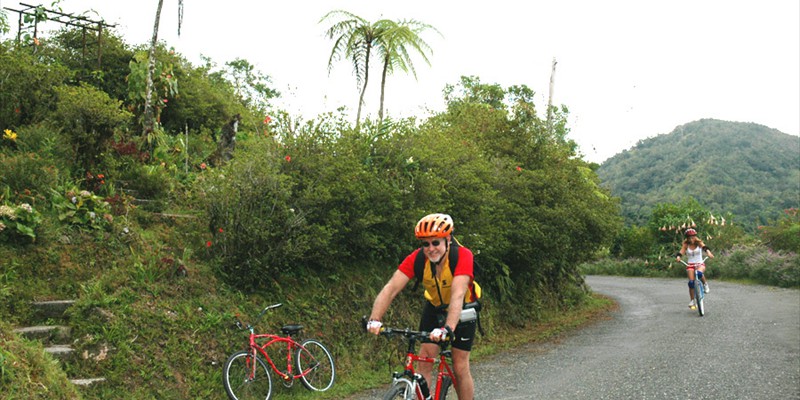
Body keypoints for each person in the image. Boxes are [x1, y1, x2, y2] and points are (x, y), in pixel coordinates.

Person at [367, 213, 477, 400]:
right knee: (424, 361)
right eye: (425, 244)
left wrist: (448, 328)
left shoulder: (462, 256)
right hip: (434, 308)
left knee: (459, 366)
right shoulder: (418, 259)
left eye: (435, 243)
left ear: (447, 239)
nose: (430, 249)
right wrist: (374, 319)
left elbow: (458, 294)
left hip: (462, 309)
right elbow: (391, 288)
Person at [676, 228, 715, 309]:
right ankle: (692, 300)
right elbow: (681, 252)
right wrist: (678, 257)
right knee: (691, 283)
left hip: (700, 263)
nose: (691, 239)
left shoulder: (699, 243)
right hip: (690, 264)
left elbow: (705, 248)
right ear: (687, 238)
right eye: (689, 237)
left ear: (695, 236)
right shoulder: (686, 244)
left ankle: (705, 284)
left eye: (693, 237)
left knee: (699, 273)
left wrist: (709, 253)